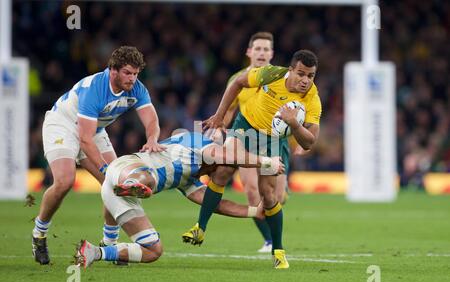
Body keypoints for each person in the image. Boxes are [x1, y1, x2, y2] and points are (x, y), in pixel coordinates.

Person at [183, 50, 322, 269]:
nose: (305, 80)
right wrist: (220, 116)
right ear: (290, 70)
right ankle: (200, 228)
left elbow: (309, 142)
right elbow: (238, 82)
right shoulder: (271, 74)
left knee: (267, 195)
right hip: (246, 127)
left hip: (274, 140)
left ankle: (278, 251)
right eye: (301, 74)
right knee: (222, 171)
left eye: (310, 76)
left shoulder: (312, 98)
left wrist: (294, 124)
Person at [32, 46, 166, 265]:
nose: (132, 79)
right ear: (113, 70)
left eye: (135, 74)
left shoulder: (137, 89)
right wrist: (106, 169)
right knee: (65, 181)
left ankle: (108, 242)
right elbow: (83, 138)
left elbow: (151, 120)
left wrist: (152, 139)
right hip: (63, 125)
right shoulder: (94, 89)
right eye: (127, 73)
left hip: (93, 130)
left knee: (116, 185)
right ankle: (39, 234)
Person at [74, 130, 284, 267]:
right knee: (149, 177)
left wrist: (253, 212)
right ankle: (133, 185)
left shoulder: (189, 180)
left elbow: (215, 204)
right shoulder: (199, 143)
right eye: (221, 170)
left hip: (115, 193)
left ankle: (96, 252)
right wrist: (266, 162)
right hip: (127, 167)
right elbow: (224, 156)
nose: (218, 175)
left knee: (153, 251)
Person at [222, 31, 291, 253]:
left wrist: (298, 144)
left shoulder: (281, 79)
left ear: (272, 54)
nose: (261, 53)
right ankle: (270, 240)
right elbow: (228, 111)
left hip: (274, 141)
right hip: (247, 139)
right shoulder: (237, 80)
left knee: (276, 197)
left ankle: (273, 231)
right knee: (252, 192)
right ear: (249, 52)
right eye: (257, 49)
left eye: (265, 49)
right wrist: (219, 129)